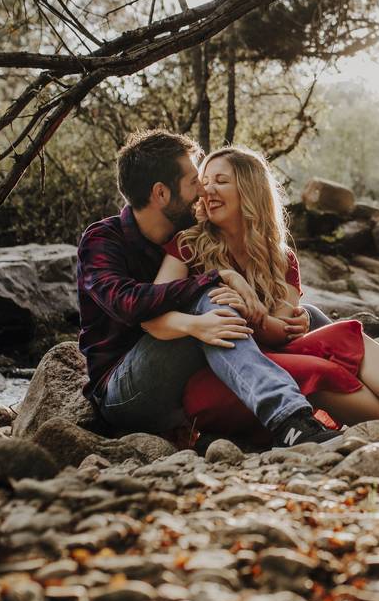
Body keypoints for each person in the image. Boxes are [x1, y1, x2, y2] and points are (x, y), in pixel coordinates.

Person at [77, 130, 348, 450]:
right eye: (194, 182)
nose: (203, 190)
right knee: (212, 297)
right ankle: (288, 421)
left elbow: (240, 254)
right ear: (161, 194)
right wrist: (215, 280)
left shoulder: (187, 230)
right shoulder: (102, 240)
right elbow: (128, 304)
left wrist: (282, 315)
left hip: (188, 372)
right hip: (126, 391)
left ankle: (367, 395)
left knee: (311, 315)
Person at [140, 144, 379, 441]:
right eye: (205, 182)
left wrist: (254, 314)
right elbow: (152, 318)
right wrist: (202, 323)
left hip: (274, 363)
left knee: (346, 334)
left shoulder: (281, 258)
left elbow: (279, 334)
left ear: (251, 190)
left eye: (222, 181)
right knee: (318, 369)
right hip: (221, 380)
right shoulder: (187, 246)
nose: (208, 191)